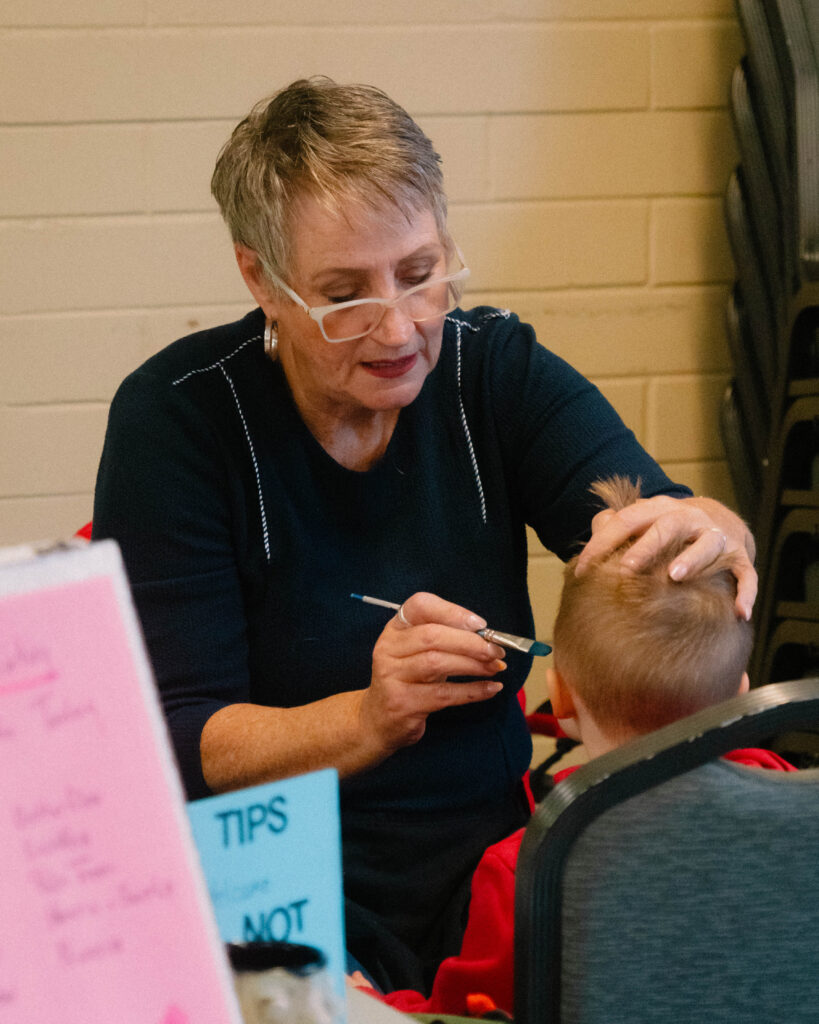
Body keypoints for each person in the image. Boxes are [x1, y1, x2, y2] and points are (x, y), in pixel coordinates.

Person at [92, 76, 757, 992]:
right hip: (274, 891)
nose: (400, 328)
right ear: (261, 279)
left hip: (490, 866)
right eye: (344, 296)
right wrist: (368, 719)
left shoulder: (492, 369)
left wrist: (710, 534)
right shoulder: (180, 424)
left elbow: (660, 523)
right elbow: (179, 738)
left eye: (419, 272)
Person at [368, 476, 793, 1017]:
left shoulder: (533, 868)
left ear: (560, 698)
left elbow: (466, 1012)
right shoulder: (796, 808)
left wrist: (373, 1004)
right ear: (741, 695)